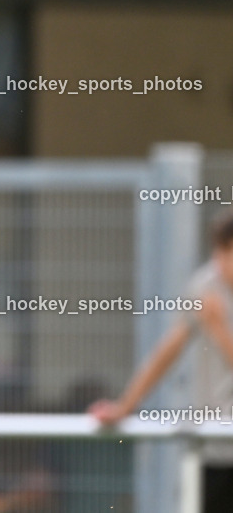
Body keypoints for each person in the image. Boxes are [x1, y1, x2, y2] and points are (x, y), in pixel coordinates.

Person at [88, 209, 233, 513]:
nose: (222, 265)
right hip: (212, 449)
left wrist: (219, 330)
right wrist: (125, 405)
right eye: (219, 253)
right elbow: (168, 351)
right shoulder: (205, 285)